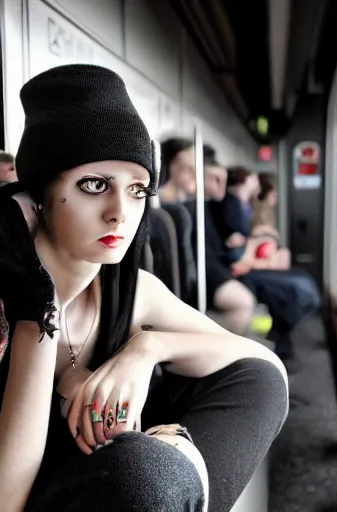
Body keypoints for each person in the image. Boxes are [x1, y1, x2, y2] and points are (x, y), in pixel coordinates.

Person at [0, 64, 288, 512]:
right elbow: (7, 500)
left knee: (255, 387)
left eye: (137, 189)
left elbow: (266, 369)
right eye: (94, 185)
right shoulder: (7, 311)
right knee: (142, 473)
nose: (120, 212)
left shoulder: (129, 290)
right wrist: (40, 305)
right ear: (39, 192)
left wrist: (147, 349)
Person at [160, 139, 321, 371]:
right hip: (203, 273)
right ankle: (197, 349)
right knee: (247, 301)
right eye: (188, 168)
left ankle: (219, 352)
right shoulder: (173, 207)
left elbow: (231, 235)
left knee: (294, 285)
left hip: (215, 267)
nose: (193, 174)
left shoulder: (202, 204)